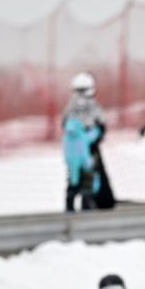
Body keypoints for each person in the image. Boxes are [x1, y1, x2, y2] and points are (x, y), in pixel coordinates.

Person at [62, 72, 115, 209]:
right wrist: (97, 135)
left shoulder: (70, 107)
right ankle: (88, 204)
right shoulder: (93, 106)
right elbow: (101, 123)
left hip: (73, 151)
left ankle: (70, 205)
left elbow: (64, 124)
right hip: (90, 149)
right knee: (89, 178)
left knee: (73, 178)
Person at [63, 117, 102, 212]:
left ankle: (69, 206)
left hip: (72, 165)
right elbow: (93, 135)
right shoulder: (82, 136)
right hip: (85, 164)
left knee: (72, 185)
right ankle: (86, 205)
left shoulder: (66, 138)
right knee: (87, 186)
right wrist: (98, 128)